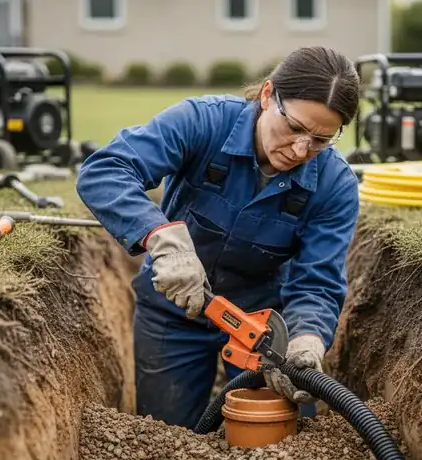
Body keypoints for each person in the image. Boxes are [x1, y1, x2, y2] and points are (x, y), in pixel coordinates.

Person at [76, 45, 361, 429]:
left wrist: (305, 339)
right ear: (266, 94)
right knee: (166, 436)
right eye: (294, 128)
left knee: (279, 441)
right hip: (172, 313)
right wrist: (161, 238)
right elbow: (106, 169)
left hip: (262, 326)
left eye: (320, 141)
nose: (299, 149)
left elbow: (318, 280)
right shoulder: (202, 122)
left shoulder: (335, 184)